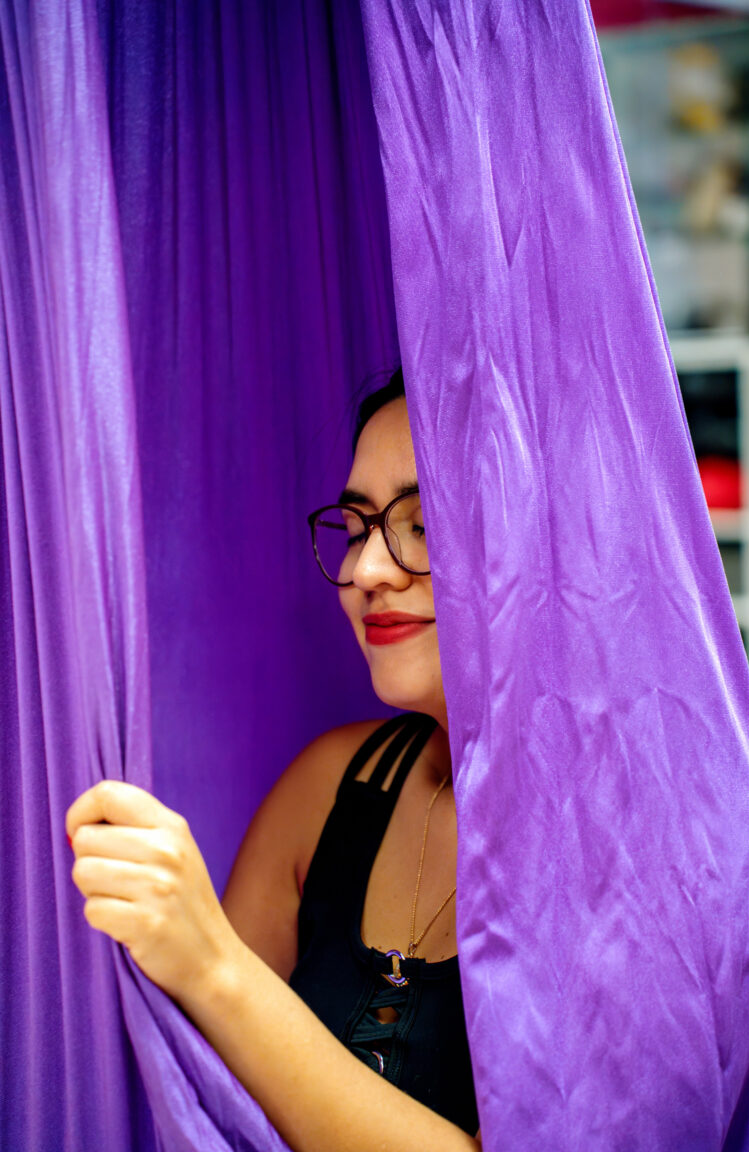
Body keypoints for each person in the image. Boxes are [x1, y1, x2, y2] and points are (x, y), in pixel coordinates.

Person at [66, 369, 481, 1151]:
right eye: (358, 529)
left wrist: (214, 963)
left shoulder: (631, 849)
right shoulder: (330, 787)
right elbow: (200, 1100)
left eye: (423, 525)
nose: (368, 572)